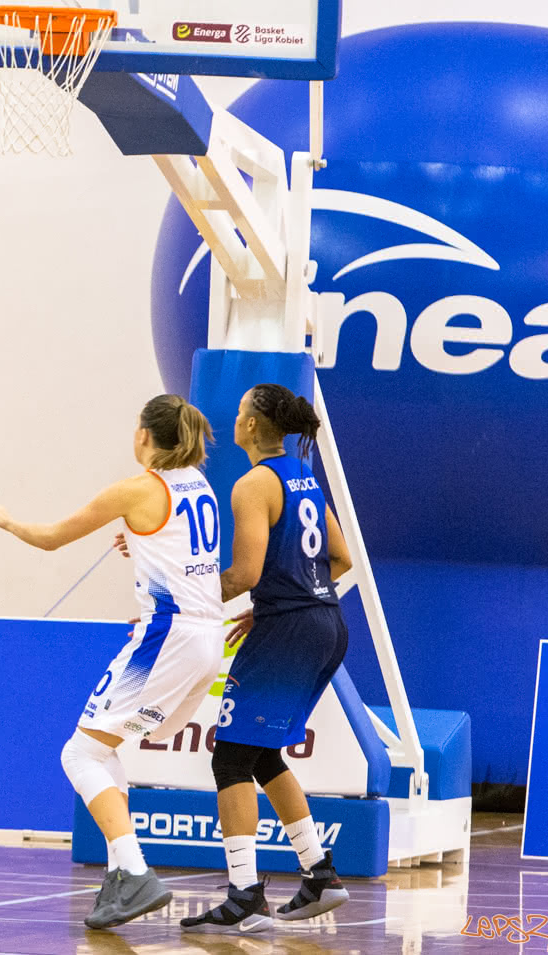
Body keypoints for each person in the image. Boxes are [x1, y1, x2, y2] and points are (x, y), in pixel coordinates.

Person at [0, 394, 225, 931]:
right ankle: (122, 873)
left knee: (78, 755)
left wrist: (7, 522)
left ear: (143, 437)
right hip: (208, 641)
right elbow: (180, 549)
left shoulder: (136, 488)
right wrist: (137, 544)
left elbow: (50, 540)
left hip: (168, 638)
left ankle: (134, 870)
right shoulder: (199, 486)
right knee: (105, 751)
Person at [181, 383, 353, 933]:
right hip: (325, 624)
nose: (234, 419)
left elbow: (243, 575)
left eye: (239, 412)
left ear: (253, 426)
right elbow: (340, 559)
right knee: (259, 754)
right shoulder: (304, 478)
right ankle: (319, 873)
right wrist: (278, 601)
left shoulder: (253, 483)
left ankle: (244, 894)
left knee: (229, 759)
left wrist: (182, 603)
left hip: (291, 629)